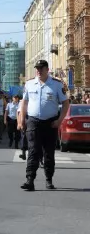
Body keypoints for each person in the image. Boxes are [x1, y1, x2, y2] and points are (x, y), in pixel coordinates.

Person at [17, 60, 69, 191]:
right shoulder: (29, 84)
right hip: (34, 121)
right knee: (33, 151)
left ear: (47, 69)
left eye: (41, 68)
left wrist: (59, 121)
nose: (39, 71)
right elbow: (24, 103)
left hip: (50, 122)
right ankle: (30, 180)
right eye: (37, 69)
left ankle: (49, 179)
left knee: (49, 153)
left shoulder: (56, 85)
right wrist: (21, 120)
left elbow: (65, 104)